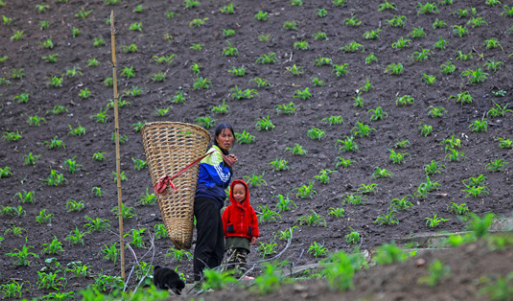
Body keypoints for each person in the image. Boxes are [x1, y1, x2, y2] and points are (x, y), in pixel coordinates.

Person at [193, 122, 237, 282]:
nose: (227, 139)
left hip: (213, 201)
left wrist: (226, 165)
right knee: (206, 242)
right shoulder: (214, 153)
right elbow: (221, 178)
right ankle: (199, 282)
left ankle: (211, 280)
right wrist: (228, 168)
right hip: (207, 199)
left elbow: (223, 183)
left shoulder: (220, 155)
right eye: (223, 135)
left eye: (229, 135)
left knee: (218, 246)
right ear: (217, 138)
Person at [221, 180, 259, 279]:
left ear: (246, 194)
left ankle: (242, 276)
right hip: (231, 238)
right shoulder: (229, 209)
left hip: (244, 239)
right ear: (232, 194)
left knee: (242, 258)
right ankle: (227, 276)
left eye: (241, 193)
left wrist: (254, 235)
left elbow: (254, 223)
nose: (238, 195)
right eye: (235, 193)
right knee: (231, 258)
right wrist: (222, 234)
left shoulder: (249, 210)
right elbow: (223, 222)